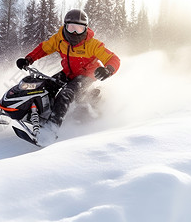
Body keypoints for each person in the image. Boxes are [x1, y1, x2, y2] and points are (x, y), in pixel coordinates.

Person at [16, 9, 120, 138]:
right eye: (71, 28)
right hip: (68, 72)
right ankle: (39, 114)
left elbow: (113, 59)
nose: (75, 33)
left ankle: (51, 129)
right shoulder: (59, 39)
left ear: (86, 29)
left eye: (80, 29)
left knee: (66, 93)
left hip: (87, 75)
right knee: (45, 85)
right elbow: (44, 48)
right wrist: (28, 59)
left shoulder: (92, 44)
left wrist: (108, 70)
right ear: (65, 26)